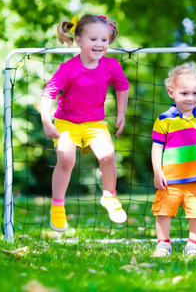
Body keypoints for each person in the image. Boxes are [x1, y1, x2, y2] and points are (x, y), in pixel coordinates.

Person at [40, 14, 129, 232]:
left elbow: (122, 86)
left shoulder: (111, 65)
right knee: (65, 159)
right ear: (79, 41)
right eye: (93, 39)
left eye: (104, 40)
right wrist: (46, 121)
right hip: (66, 122)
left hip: (94, 123)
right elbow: (48, 94)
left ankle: (109, 196)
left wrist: (121, 112)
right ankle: (58, 206)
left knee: (108, 155)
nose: (100, 44)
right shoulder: (67, 69)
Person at [150, 62, 196, 258]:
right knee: (163, 211)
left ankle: (193, 245)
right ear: (171, 92)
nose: (191, 98)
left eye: (195, 93)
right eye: (184, 93)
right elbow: (156, 147)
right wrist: (158, 171)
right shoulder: (164, 120)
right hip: (169, 180)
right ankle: (163, 245)